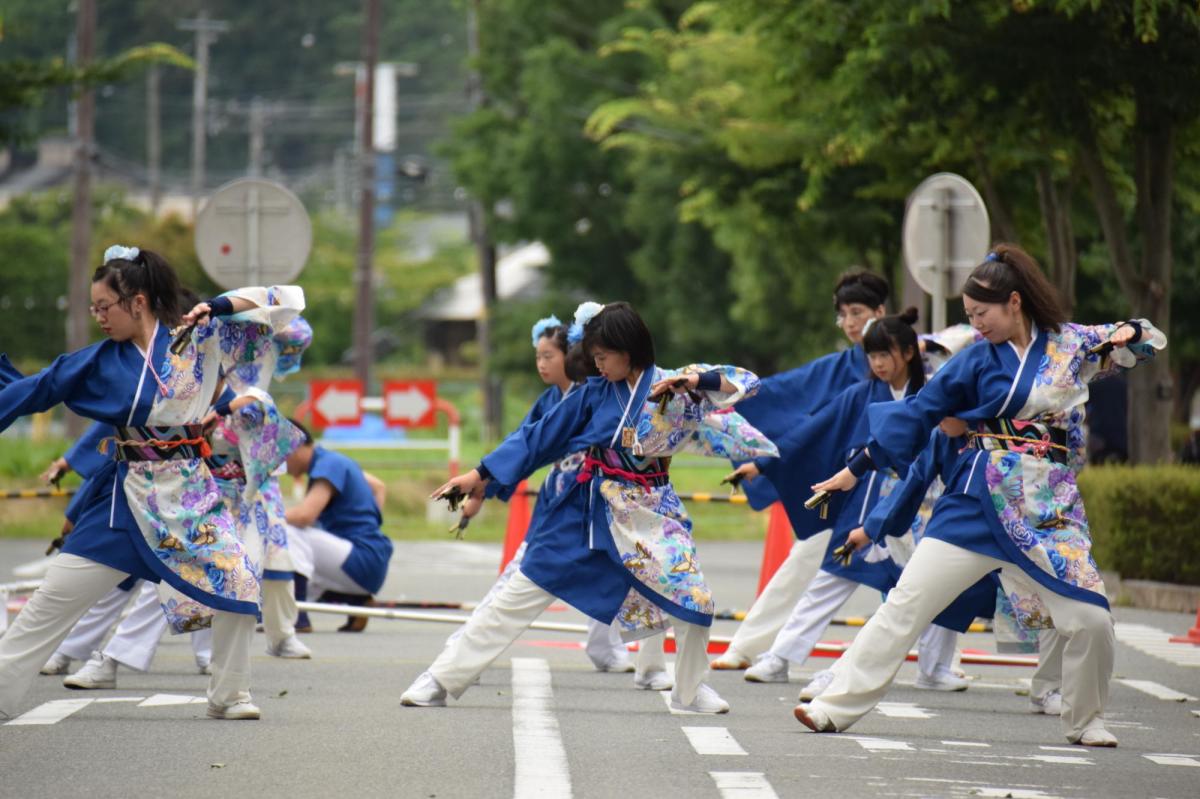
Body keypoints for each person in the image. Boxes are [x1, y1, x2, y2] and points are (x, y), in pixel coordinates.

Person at [793, 243, 1166, 747]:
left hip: (1049, 509)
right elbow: (921, 412)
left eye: (981, 313)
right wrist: (856, 469)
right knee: (906, 604)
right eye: (968, 315)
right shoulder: (972, 362)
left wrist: (1130, 333)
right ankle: (833, 708)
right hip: (975, 500)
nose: (977, 324)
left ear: (1015, 301)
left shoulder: (1072, 343)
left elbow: (1144, 339)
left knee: (1091, 617)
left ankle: (1085, 719)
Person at [401, 301, 777, 713]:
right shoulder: (596, 393)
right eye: (593, 357)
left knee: (695, 599)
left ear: (626, 349)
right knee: (521, 592)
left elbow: (749, 383)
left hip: (652, 513)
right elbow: (539, 437)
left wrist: (694, 379)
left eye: (602, 357)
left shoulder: (678, 385)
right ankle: (439, 678)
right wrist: (480, 474)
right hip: (588, 510)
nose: (595, 366)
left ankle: (688, 692)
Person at [0, 244, 304, 721]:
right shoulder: (98, 361)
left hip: (191, 501)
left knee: (241, 582)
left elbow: (286, 300)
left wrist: (217, 306)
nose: (99, 316)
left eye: (105, 307)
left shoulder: (199, 337)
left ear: (137, 302)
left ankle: (230, 696)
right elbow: (33, 390)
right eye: (94, 308)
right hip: (123, 504)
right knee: (52, 601)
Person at [713, 272, 978, 670]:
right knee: (821, 568)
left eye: (857, 312)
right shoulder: (845, 373)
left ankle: (939, 665)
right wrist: (763, 458)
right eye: (843, 315)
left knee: (928, 576)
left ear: (880, 314)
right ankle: (764, 650)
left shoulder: (926, 367)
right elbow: (806, 420)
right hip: (848, 486)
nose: (850, 323)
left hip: (913, 495)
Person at [443, 314, 639, 673]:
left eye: (549, 355)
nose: (542, 363)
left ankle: (614, 653)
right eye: (538, 356)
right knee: (523, 576)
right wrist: (483, 482)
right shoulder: (558, 401)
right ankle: (461, 650)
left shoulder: (603, 394)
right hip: (563, 504)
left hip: (605, 503)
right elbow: (526, 442)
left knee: (624, 574)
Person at [284, 420, 394, 632]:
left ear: (295, 447)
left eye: (279, 456)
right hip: (369, 556)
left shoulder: (327, 465)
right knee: (287, 578)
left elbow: (305, 515)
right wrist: (371, 524)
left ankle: (298, 618)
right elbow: (379, 487)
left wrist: (267, 516)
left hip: (360, 557)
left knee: (288, 532)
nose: (279, 465)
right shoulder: (334, 460)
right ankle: (357, 602)